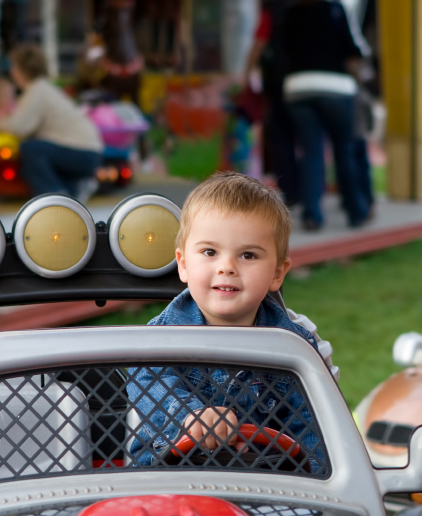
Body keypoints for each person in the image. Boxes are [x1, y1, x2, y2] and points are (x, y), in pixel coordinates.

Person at [126, 172, 325, 469]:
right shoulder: (160, 339)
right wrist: (190, 415)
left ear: (277, 273)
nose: (226, 267)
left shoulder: (293, 345)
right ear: (183, 264)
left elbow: (311, 433)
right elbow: (152, 387)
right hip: (169, 479)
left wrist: (318, 481)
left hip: (265, 483)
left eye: (247, 255)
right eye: (210, 252)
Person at [281, 0, 372, 230]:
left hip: (298, 88)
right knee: (344, 150)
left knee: (311, 153)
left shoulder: (290, 13)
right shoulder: (335, 8)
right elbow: (353, 49)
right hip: (336, 88)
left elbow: (282, 51)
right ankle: (356, 211)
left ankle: (312, 214)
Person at [0, 44, 103, 198]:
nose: (11, 71)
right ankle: (72, 188)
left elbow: (18, 127)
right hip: (89, 152)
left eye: (13, 66)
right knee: (38, 152)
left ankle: (53, 196)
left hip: (80, 152)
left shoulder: (36, 90)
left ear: (22, 69)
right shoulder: (44, 88)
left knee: (30, 149)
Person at [243, 0, 300, 207]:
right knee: (309, 144)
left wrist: (246, 75)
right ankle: (308, 193)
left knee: (281, 139)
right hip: (301, 83)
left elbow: (259, 42)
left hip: (279, 85)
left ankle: (292, 192)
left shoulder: (272, 11)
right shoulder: (302, 8)